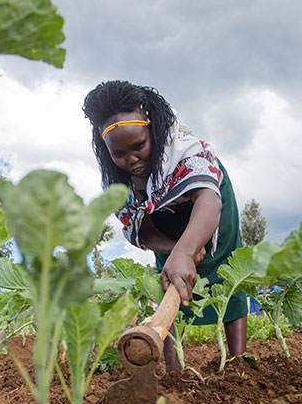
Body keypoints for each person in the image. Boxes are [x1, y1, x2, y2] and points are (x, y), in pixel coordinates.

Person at [83, 80, 248, 372]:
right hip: (161, 220)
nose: (131, 160)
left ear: (151, 129)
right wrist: (176, 251)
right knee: (168, 275)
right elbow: (143, 232)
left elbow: (208, 200)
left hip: (207, 204)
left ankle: (237, 363)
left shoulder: (182, 148)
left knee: (229, 269)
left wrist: (188, 251)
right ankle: (173, 371)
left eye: (138, 147)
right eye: (119, 154)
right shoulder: (117, 182)